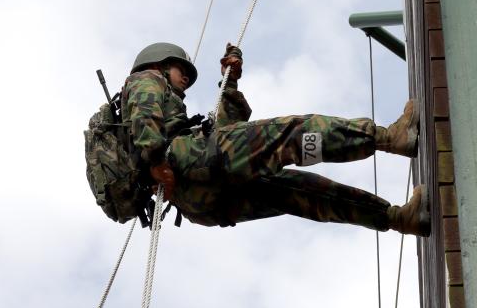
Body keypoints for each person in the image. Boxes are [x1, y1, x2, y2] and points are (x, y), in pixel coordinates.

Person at [120, 42, 430, 235]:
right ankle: (391, 138)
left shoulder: (162, 123)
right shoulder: (145, 79)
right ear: (159, 65)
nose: (185, 76)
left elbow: (226, 139)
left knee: (301, 194)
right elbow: (147, 120)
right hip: (186, 164)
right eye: (180, 68)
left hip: (200, 203)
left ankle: (399, 219)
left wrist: (230, 84)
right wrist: (156, 162)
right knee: (293, 135)